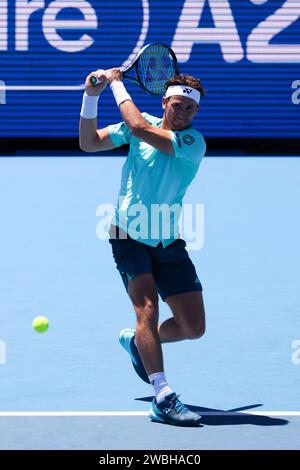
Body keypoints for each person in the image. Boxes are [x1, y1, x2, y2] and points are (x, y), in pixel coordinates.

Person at [79, 67, 206, 427]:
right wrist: (91, 97)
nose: (183, 114)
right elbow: (89, 142)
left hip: (168, 242)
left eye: (189, 110)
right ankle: (163, 395)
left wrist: (117, 83)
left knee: (192, 327)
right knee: (146, 308)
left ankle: (139, 343)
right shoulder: (142, 125)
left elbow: (138, 128)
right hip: (127, 236)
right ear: (164, 101)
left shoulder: (192, 143)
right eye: (178, 105)